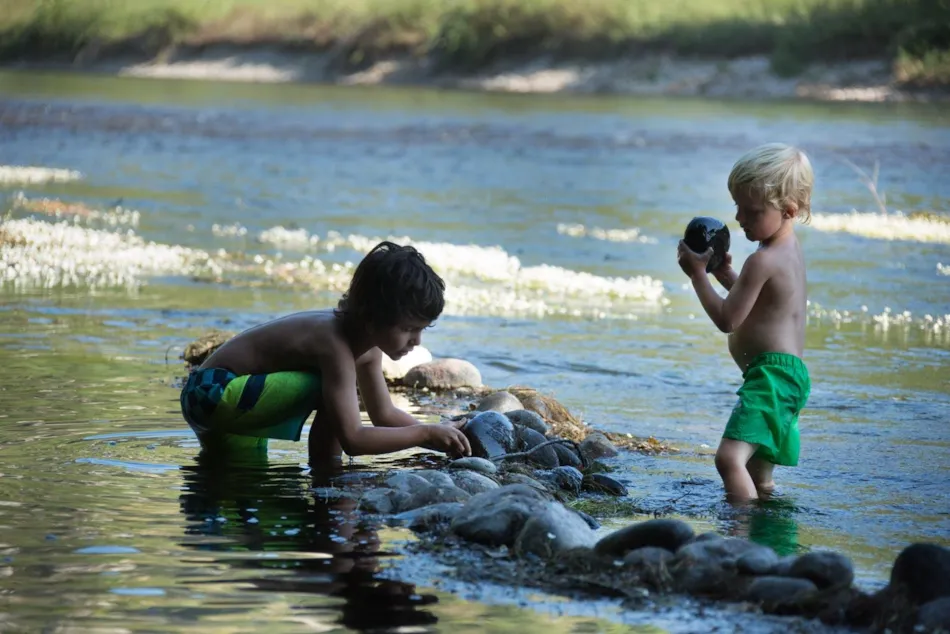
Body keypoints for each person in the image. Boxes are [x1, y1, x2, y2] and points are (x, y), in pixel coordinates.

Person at [179, 240, 472, 465]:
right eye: (409, 329)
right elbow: (353, 439)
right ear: (372, 318)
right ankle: (327, 475)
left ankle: (326, 474)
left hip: (235, 402)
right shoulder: (335, 345)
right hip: (210, 391)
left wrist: (437, 435)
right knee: (332, 391)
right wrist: (424, 434)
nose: (416, 341)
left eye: (423, 329)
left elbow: (383, 414)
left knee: (231, 476)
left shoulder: (367, 349)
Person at [677, 143, 813, 503]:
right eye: (737, 206)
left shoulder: (763, 260)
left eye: (751, 211)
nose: (739, 218)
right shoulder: (788, 251)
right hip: (788, 377)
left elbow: (727, 319)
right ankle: (768, 532)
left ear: (788, 210)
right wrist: (723, 274)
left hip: (771, 377)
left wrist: (697, 276)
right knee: (757, 472)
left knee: (728, 459)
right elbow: (760, 303)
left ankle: (738, 537)